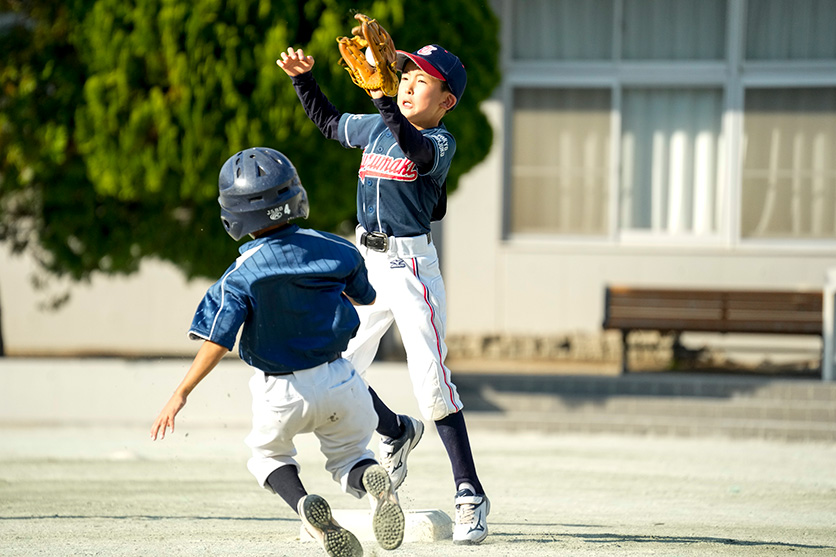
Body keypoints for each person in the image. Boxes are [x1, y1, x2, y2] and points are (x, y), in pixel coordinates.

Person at [277, 42, 489, 545]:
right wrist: (303, 80)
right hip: (366, 264)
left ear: (446, 101)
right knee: (336, 367)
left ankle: (470, 492)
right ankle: (395, 430)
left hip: (411, 268)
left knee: (432, 384)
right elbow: (331, 124)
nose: (409, 84)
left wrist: (384, 100)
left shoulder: (439, 142)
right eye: (407, 75)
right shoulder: (378, 124)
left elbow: (414, 152)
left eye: (423, 81)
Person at [150, 147, 404, 557]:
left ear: (233, 216)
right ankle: (371, 478)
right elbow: (366, 297)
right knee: (350, 456)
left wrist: (181, 392)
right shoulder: (337, 249)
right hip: (340, 380)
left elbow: (218, 340)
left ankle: (304, 505)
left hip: (281, 394)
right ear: (296, 196)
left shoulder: (240, 275)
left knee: (268, 457)